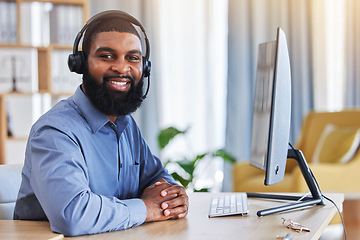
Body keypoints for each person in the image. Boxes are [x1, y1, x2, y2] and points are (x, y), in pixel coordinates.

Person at [13, 10, 189, 237]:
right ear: (80, 63)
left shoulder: (126, 126)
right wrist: (146, 208)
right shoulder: (54, 132)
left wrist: (172, 197)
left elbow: (157, 177)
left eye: (133, 58)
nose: (122, 68)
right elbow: (73, 215)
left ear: (144, 68)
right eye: (107, 56)